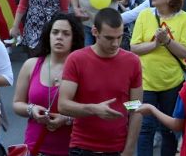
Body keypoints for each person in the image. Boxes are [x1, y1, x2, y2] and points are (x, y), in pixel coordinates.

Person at [58, 9, 143, 156]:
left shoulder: (133, 62)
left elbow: (136, 107)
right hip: (82, 147)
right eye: (109, 38)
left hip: (118, 148)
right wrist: (93, 109)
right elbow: (63, 105)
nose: (116, 44)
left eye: (120, 37)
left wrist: (129, 149)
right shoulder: (77, 59)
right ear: (95, 32)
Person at [130, 0, 186, 156]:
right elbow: (134, 48)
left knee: (170, 129)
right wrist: (155, 45)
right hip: (146, 82)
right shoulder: (144, 15)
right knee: (145, 128)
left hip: (172, 83)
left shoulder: (184, 19)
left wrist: (167, 41)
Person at [12, 14, 85, 156]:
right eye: (55, 32)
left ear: (73, 38)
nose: (59, 37)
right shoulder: (31, 65)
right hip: (34, 147)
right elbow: (17, 104)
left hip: (72, 148)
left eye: (66, 34)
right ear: (48, 35)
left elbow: (92, 112)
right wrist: (31, 110)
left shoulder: (83, 69)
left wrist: (67, 119)